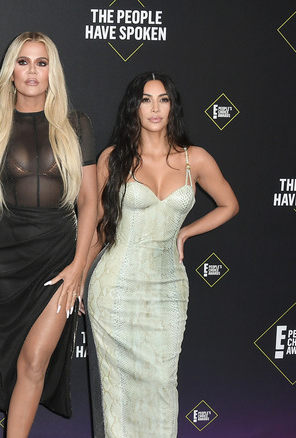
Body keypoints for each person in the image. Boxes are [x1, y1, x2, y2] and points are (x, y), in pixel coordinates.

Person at [86, 72, 239, 437]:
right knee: (118, 389)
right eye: (146, 99)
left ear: (173, 106)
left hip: (168, 287)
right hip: (115, 290)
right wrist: (79, 274)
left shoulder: (195, 159)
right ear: (133, 107)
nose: (155, 108)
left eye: (163, 99)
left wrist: (186, 231)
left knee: (161, 382)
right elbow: (98, 226)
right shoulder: (112, 159)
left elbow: (229, 204)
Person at [0, 32, 97, 437]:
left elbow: (90, 204)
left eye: (41, 63)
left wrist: (79, 267)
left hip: (59, 258)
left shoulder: (77, 126)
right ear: (10, 71)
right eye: (23, 62)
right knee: (17, 362)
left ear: (52, 73)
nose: (32, 71)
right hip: (4, 263)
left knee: (35, 361)